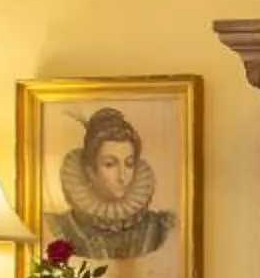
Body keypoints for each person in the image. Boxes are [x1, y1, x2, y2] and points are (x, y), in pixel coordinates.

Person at [46, 106, 173, 261]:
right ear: (90, 171)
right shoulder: (60, 227)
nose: (122, 176)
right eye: (110, 164)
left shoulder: (160, 227)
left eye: (129, 164)